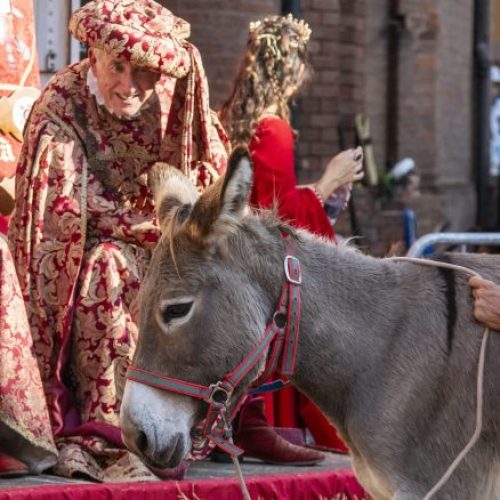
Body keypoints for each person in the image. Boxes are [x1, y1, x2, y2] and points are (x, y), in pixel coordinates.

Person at [9, 0, 228, 482]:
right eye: (117, 68)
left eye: (144, 72)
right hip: (89, 257)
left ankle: (194, 422)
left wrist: (181, 228)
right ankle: (109, 433)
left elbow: (210, 175)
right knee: (110, 268)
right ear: (94, 56)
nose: (130, 87)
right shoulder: (62, 105)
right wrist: (148, 226)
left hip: (169, 249)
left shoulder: (178, 104)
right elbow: (62, 210)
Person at [220, 15, 363, 463]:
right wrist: (325, 185)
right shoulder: (274, 129)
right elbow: (278, 222)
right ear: (291, 69)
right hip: (264, 274)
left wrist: (326, 203)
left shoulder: (234, 120)